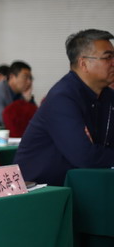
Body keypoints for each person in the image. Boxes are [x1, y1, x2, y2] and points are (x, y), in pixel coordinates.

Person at [16, 29, 114, 186]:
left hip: (82, 183)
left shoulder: (107, 95)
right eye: (108, 57)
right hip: (40, 189)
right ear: (84, 64)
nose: (113, 62)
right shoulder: (62, 98)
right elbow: (84, 155)